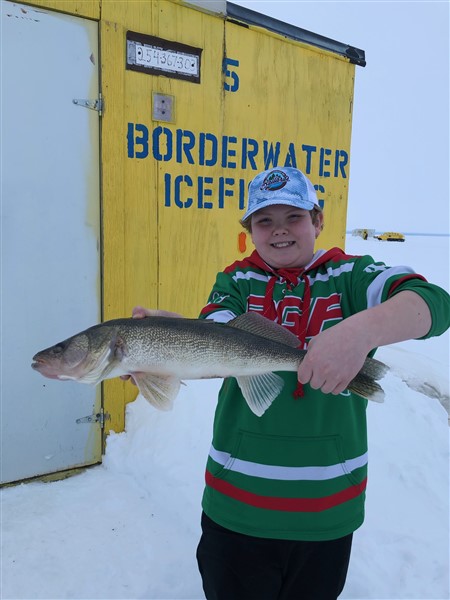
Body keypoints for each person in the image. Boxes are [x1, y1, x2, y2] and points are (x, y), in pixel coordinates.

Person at [129, 167, 450, 599]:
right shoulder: (237, 280)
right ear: (249, 231)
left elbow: (434, 305)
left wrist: (360, 332)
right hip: (236, 503)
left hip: (327, 509)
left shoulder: (352, 276)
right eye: (265, 221)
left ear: (317, 221)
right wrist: (168, 342)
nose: (279, 231)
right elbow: (215, 336)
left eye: (293, 217)